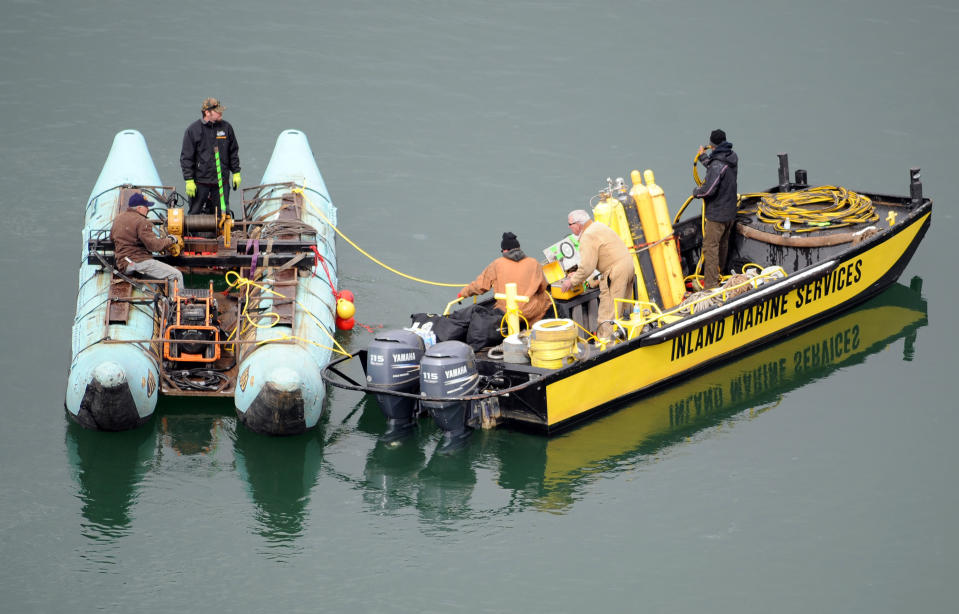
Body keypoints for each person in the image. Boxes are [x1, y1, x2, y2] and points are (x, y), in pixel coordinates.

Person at [561, 210, 635, 339]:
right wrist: (579, 273)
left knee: (608, 312)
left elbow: (587, 267)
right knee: (624, 308)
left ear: (578, 224)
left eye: (570, 224)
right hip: (628, 265)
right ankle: (627, 338)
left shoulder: (587, 236)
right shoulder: (598, 226)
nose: (569, 227)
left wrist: (571, 281)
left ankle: (606, 344)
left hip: (615, 272)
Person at [458, 231, 551, 327]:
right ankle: (533, 326)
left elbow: (480, 286)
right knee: (546, 298)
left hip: (506, 312)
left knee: (499, 305)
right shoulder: (534, 263)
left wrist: (463, 293)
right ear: (518, 248)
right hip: (529, 311)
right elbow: (542, 287)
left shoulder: (497, 264)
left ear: (505, 250)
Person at [692, 129, 739, 289]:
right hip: (730, 212)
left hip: (717, 215)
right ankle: (720, 272)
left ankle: (711, 286)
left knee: (710, 247)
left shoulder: (717, 164)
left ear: (712, 145)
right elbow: (716, 170)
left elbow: (708, 189)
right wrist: (703, 158)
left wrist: (696, 192)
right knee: (723, 243)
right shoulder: (731, 157)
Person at [111, 192, 184, 291]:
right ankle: (176, 304)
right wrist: (171, 240)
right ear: (139, 208)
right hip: (138, 262)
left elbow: (112, 238)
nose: (148, 209)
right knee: (176, 275)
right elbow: (154, 246)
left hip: (122, 263)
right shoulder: (142, 221)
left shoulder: (118, 218)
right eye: (146, 207)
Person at [180, 97, 241, 216]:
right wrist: (189, 180)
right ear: (207, 112)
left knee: (222, 214)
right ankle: (193, 234)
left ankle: (221, 234)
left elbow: (233, 151)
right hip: (200, 182)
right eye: (217, 111)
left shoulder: (226, 128)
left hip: (221, 182)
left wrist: (236, 172)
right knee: (194, 213)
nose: (221, 113)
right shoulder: (193, 130)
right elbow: (186, 157)